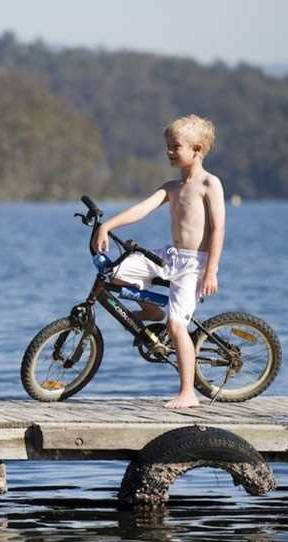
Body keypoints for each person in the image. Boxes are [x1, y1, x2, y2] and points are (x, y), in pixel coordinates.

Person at [92, 114, 225, 409]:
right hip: (169, 257)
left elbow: (217, 229)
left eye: (175, 146)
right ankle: (151, 311)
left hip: (195, 264)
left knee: (177, 325)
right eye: (168, 146)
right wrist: (107, 226)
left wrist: (212, 270)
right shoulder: (171, 187)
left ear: (198, 149)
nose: (169, 152)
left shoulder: (209, 184)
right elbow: (141, 209)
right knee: (113, 273)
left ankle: (188, 392)